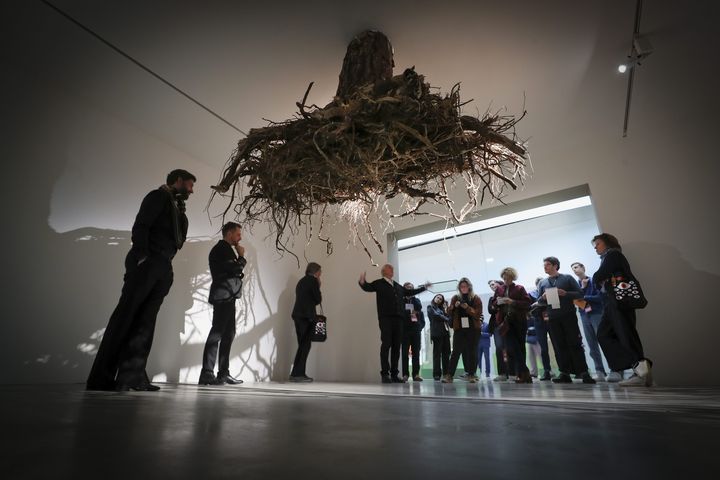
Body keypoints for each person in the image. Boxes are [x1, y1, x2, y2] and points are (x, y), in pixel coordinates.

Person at [86, 169, 195, 391]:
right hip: (148, 263)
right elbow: (141, 226)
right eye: (190, 185)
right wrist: (143, 256)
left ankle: (133, 376)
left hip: (163, 267)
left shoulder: (177, 208)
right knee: (125, 317)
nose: (192, 190)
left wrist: (166, 268)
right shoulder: (157, 197)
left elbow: (178, 238)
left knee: (146, 323)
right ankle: (101, 378)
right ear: (179, 181)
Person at [592, 233, 653, 387]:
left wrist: (598, 278)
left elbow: (599, 276)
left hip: (619, 303)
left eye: (597, 244)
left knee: (626, 335)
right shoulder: (609, 257)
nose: (595, 247)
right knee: (604, 334)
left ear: (607, 243)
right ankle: (640, 365)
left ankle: (639, 370)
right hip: (611, 303)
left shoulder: (613, 255)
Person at [359, 265, 430, 383]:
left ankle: (394, 374)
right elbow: (368, 287)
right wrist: (362, 282)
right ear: (384, 271)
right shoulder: (379, 283)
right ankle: (385, 374)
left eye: (392, 268)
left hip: (399, 319)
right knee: (386, 344)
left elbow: (409, 291)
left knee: (397, 346)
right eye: (389, 268)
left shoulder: (397, 285)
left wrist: (424, 288)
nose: (392, 270)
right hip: (386, 318)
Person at [199, 222, 247, 386]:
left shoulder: (227, 249)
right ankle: (207, 373)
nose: (240, 238)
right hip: (223, 296)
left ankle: (223, 373)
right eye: (238, 234)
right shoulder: (221, 249)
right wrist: (241, 257)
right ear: (229, 233)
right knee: (217, 333)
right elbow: (234, 269)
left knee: (229, 334)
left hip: (229, 296)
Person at [536, 257, 596, 384]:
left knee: (575, 343)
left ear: (555, 265)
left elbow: (580, 294)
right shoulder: (542, 283)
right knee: (558, 346)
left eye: (547, 265)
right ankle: (564, 373)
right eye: (544, 265)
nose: (545, 267)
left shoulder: (567, 278)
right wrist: (543, 297)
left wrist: (565, 294)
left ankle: (584, 372)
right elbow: (539, 302)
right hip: (552, 319)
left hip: (568, 316)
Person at [490, 268, 533, 383]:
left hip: (519, 321)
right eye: (503, 278)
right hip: (505, 322)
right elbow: (493, 304)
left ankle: (521, 374)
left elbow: (527, 303)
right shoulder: (499, 289)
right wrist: (497, 302)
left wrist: (512, 302)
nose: (505, 280)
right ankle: (525, 373)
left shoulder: (520, 288)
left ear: (512, 277)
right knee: (512, 347)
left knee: (520, 347)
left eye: (507, 278)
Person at [571, 261, 611, 382]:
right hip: (584, 315)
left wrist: (584, 296)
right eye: (573, 269)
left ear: (583, 267)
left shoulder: (594, 280)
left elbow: (601, 297)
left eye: (576, 267)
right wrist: (582, 289)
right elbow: (576, 300)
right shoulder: (577, 285)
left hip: (597, 313)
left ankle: (615, 369)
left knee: (604, 341)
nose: (575, 270)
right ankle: (599, 371)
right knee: (591, 344)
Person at [443, 278, 483, 383]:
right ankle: (449, 375)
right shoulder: (455, 298)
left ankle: (471, 375)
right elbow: (448, 312)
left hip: (473, 329)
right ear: (459, 288)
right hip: (459, 329)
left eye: (465, 286)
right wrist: (453, 307)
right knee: (455, 352)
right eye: (461, 287)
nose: (463, 288)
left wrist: (467, 308)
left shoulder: (476, 298)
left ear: (469, 287)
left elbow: (478, 314)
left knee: (472, 352)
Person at [289, 262, 323, 383]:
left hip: (298, 315)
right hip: (307, 316)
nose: (320, 274)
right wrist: (318, 286)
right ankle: (298, 374)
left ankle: (297, 373)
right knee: (305, 345)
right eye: (320, 272)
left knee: (302, 345)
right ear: (316, 272)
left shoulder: (301, 281)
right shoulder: (313, 281)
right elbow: (317, 299)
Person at [528, 277, 554, 380]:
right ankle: (547, 371)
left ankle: (562, 371)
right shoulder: (532, 294)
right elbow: (529, 309)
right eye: (539, 283)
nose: (541, 284)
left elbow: (553, 305)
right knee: (543, 349)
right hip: (538, 321)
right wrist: (538, 303)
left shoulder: (550, 292)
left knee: (556, 345)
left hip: (551, 319)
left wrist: (539, 303)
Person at [488, 279, 514, 381]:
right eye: (490, 285)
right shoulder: (492, 298)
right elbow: (490, 310)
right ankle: (502, 373)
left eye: (493, 284)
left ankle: (513, 372)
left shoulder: (508, 294)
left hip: (508, 324)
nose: (492, 286)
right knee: (499, 348)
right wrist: (497, 305)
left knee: (510, 348)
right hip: (496, 326)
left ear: (500, 284)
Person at [401, 283, 426, 382]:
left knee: (416, 353)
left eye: (411, 288)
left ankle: (416, 374)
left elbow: (419, 309)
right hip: (405, 330)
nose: (410, 289)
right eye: (408, 288)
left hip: (415, 330)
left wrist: (419, 328)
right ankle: (405, 374)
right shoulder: (401, 300)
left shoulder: (416, 300)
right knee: (404, 353)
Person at [427, 294, 451, 381]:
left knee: (446, 353)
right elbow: (435, 316)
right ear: (434, 298)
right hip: (437, 334)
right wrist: (445, 318)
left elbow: (449, 318)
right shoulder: (430, 307)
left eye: (441, 299)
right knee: (437, 354)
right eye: (437, 297)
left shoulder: (442, 309)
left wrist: (445, 310)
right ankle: (436, 374)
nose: (439, 299)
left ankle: (446, 373)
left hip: (445, 333)